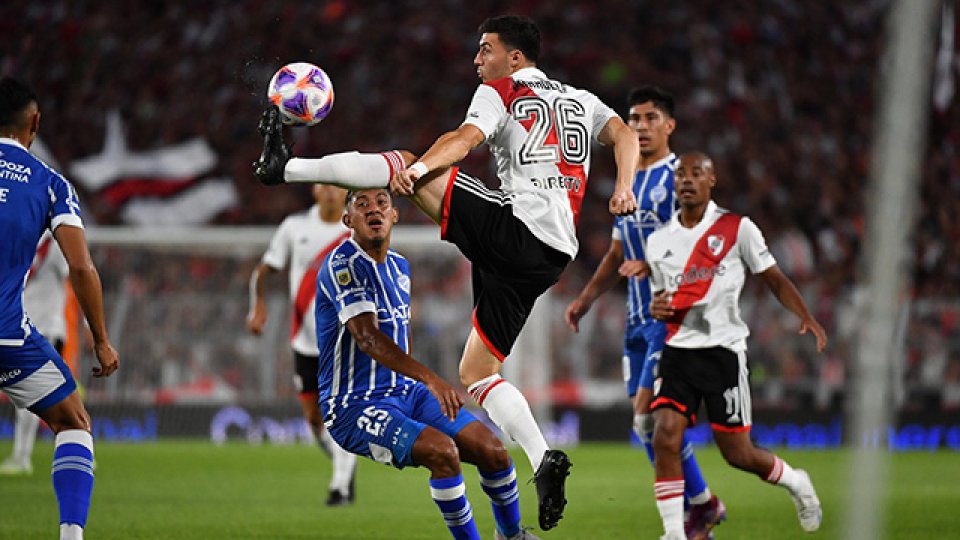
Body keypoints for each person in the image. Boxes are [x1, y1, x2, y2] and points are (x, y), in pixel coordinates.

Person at [253, 15, 640, 530]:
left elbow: (464, 138)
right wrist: (624, 186)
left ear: (515, 58)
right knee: (477, 373)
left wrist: (417, 171)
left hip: (517, 228)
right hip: (552, 254)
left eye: (486, 49)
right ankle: (543, 457)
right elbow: (625, 135)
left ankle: (284, 168)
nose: (477, 60)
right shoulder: (581, 99)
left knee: (403, 160)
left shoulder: (502, 90)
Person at [316, 187, 538, 540]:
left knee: (493, 451)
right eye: (362, 205)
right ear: (348, 220)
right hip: (354, 406)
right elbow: (368, 338)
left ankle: (512, 536)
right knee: (442, 453)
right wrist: (431, 379)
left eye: (382, 203)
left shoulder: (399, 267)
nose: (374, 210)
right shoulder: (342, 265)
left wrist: (420, 384)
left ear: (394, 215)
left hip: (407, 393)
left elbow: (399, 335)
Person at [563, 86, 724, 539]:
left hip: (672, 315)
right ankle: (702, 504)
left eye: (651, 118)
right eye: (633, 119)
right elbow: (617, 253)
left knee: (648, 414)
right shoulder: (629, 178)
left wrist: (653, 264)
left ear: (670, 125)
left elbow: (705, 244)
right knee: (645, 423)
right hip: (637, 319)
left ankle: (685, 523)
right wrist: (585, 299)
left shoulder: (680, 178)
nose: (640, 126)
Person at [645, 151, 825, 540]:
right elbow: (663, 300)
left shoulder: (737, 228)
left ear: (712, 181)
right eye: (682, 174)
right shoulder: (658, 241)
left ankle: (796, 481)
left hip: (723, 353)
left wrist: (805, 315)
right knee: (665, 434)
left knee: (738, 454)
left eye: (697, 173)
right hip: (678, 353)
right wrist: (656, 307)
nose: (687, 180)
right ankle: (674, 534)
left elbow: (773, 277)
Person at [0, 77, 119, 540]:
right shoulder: (50, 183)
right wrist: (102, 340)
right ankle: (71, 536)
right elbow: (82, 267)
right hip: (9, 337)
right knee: (73, 422)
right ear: (34, 122)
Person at [246, 184, 358, 506]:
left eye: (337, 186)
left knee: (341, 415)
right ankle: (344, 464)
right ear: (314, 190)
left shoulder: (356, 228)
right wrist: (258, 306)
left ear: (346, 192)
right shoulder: (295, 227)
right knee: (314, 421)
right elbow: (264, 271)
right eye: (325, 185)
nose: (331, 192)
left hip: (344, 339)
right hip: (305, 341)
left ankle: (340, 486)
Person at [0, 231, 69, 475]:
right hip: (23, 328)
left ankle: (22, 457)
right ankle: (79, 450)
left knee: (34, 395)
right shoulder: (23, 237)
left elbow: (76, 272)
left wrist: (87, 324)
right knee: (53, 395)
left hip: (46, 327)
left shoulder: (57, 240)